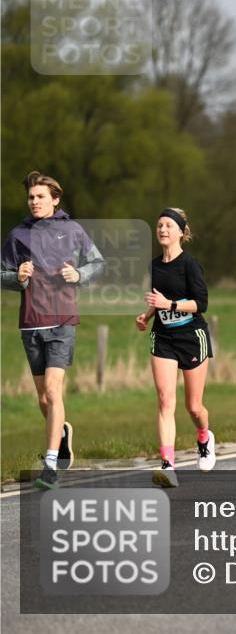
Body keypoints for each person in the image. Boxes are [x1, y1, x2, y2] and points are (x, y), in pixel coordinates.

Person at [1, 171, 105, 490]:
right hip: (30, 323)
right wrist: (16, 276)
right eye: (31, 197)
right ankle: (60, 432)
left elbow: (97, 263)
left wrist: (79, 274)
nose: (34, 201)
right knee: (44, 401)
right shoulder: (18, 234)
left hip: (62, 320)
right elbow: (1, 274)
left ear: (55, 199)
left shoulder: (71, 229)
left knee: (52, 390)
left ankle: (51, 464)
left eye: (40, 196)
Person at [135, 208, 215, 488]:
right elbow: (158, 299)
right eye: (159, 225)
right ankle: (168, 464)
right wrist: (147, 314)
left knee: (193, 407)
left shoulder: (190, 264)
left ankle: (204, 436)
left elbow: (200, 303)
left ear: (181, 232)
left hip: (192, 336)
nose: (163, 230)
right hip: (164, 338)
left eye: (169, 225)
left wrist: (169, 305)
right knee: (165, 401)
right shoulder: (154, 266)